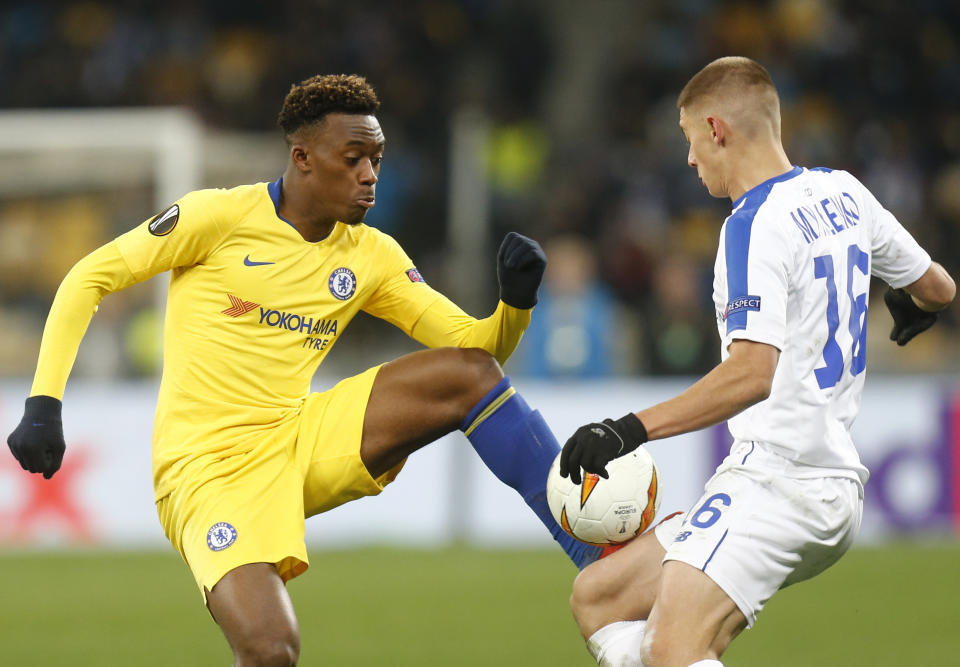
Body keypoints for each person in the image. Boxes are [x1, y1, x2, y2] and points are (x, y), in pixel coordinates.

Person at [6, 74, 601, 666]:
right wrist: (43, 402)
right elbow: (90, 277)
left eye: (377, 159)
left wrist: (515, 305)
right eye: (354, 158)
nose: (371, 174)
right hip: (208, 468)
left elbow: (479, 349)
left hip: (299, 437)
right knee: (270, 650)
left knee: (466, 376)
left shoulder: (372, 254)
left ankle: (595, 554)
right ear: (303, 158)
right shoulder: (218, 217)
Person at [558, 56, 956, 667]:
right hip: (823, 484)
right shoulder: (845, 191)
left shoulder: (752, 224)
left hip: (780, 480)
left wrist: (627, 430)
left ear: (716, 129)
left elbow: (751, 373)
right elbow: (940, 289)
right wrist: (904, 298)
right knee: (601, 599)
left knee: (671, 651)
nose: (690, 159)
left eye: (690, 140)